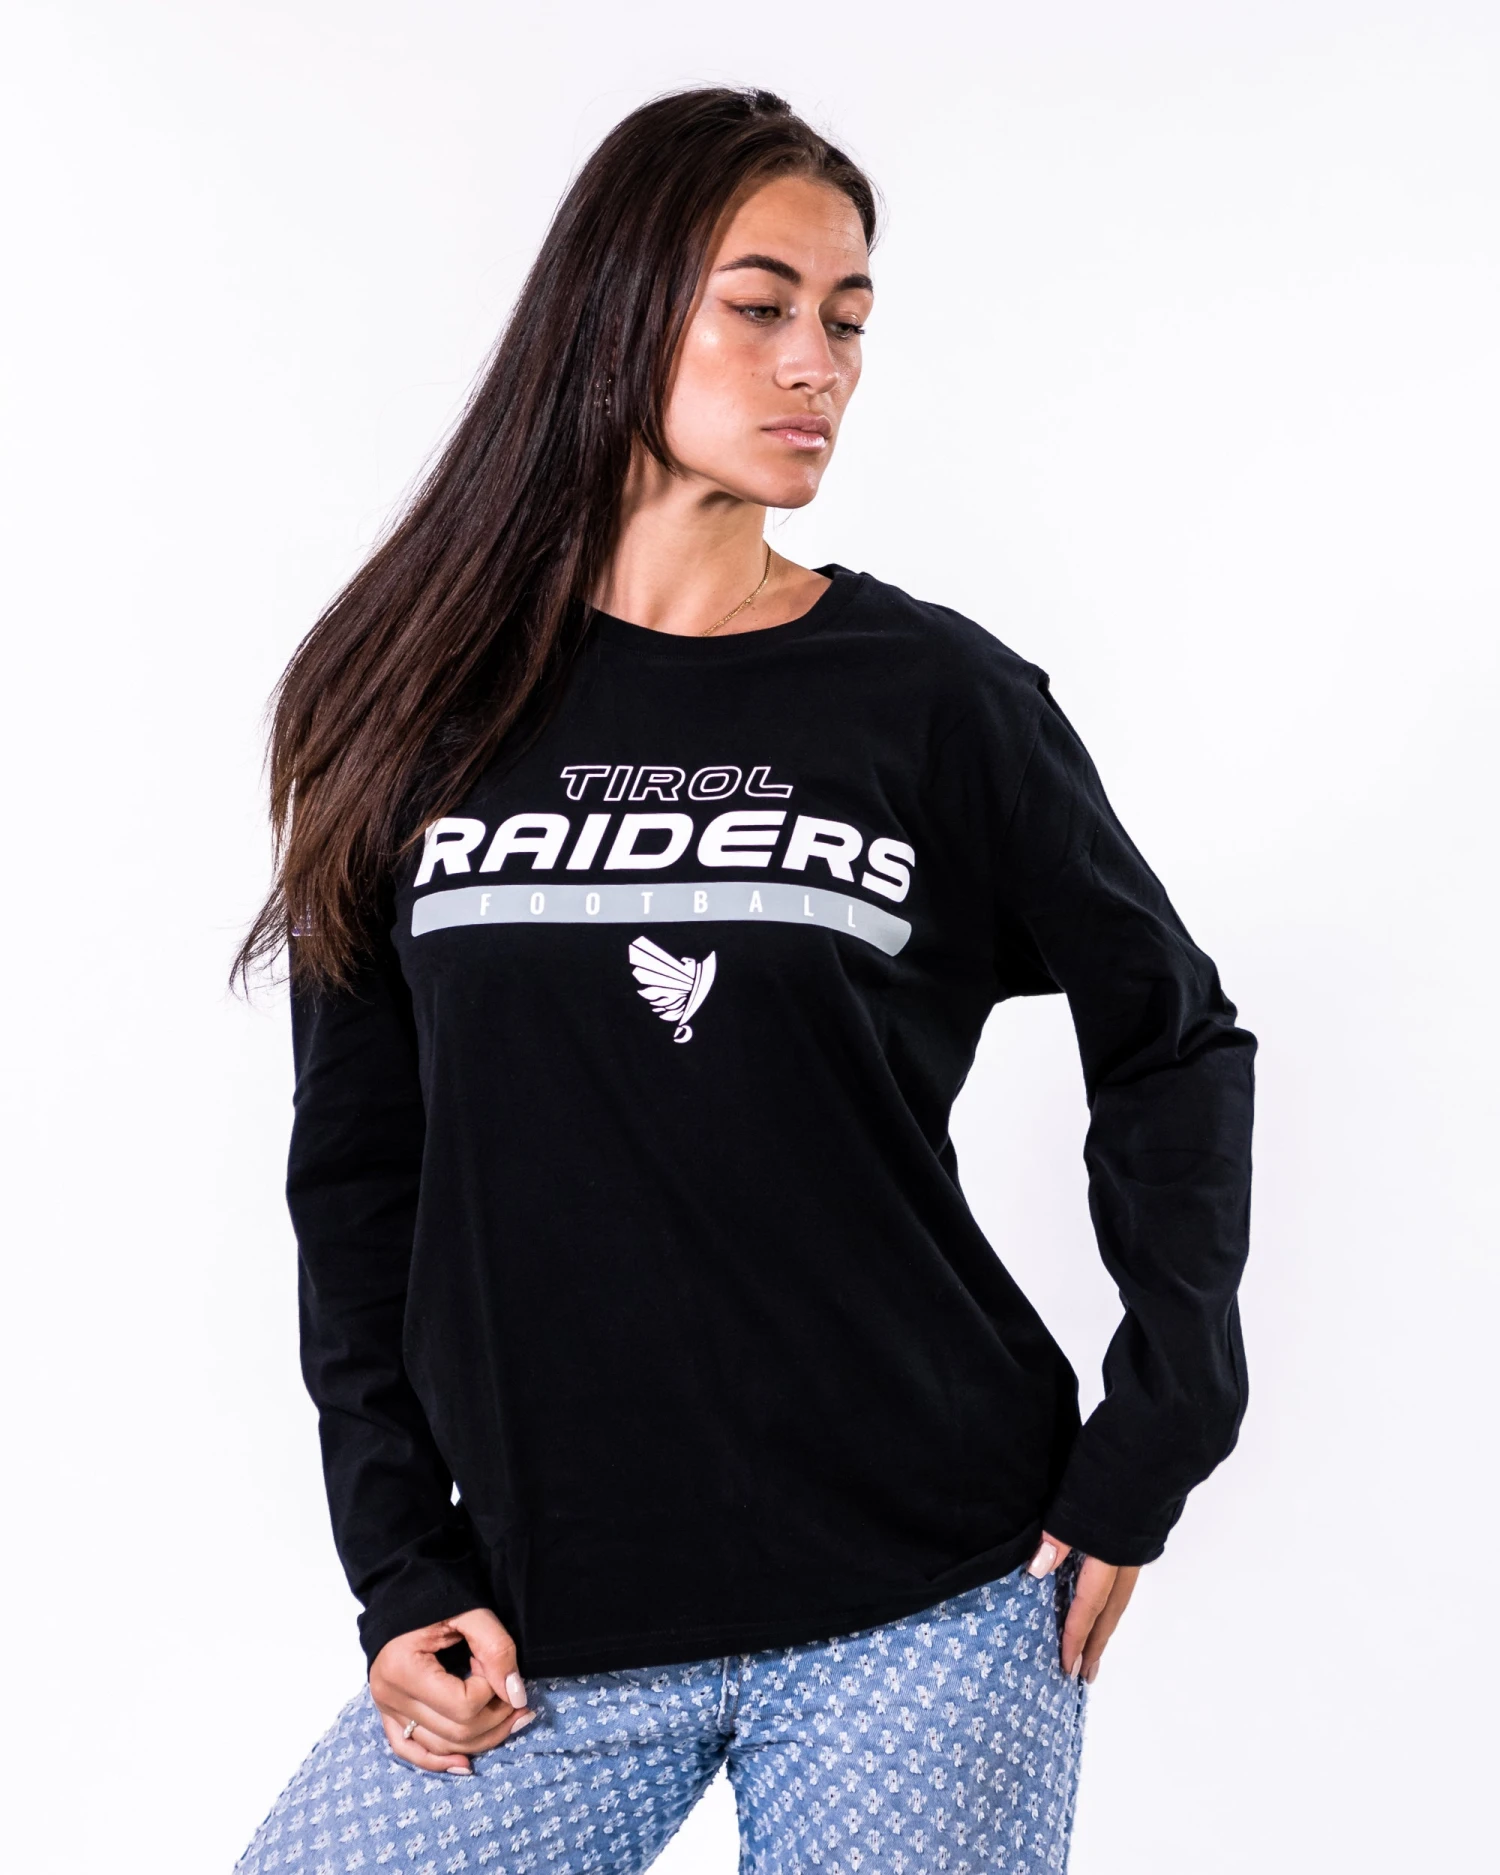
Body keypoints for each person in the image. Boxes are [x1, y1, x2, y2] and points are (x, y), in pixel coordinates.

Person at [233, 85, 1255, 1875]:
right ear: (617, 307)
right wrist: (399, 1562)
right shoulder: (408, 708)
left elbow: (1171, 1036)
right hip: (542, 1613)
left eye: (847, 322)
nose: (816, 367)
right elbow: (358, 1178)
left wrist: (1162, 1427)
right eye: (761, 306)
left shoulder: (934, 699)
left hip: (927, 1597)